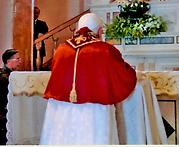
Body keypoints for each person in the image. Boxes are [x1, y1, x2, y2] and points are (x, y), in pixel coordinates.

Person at [40, 13, 137, 144]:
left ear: (78, 28)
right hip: (94, 110)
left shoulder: (61, 49)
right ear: (100, 31)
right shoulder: (105, 50)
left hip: (62, 108)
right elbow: (124, 74)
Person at [0, 49, 21, 145]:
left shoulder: (12, 75)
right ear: (8, 61)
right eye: (18, 59)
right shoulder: (4, 76)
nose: (20, 61)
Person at [33, 6, 49, 71]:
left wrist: (41, 35)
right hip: (29, 47)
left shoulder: (42, 23)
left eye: (37, 13)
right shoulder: (27, 23)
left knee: (39, 65)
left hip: (39, 46)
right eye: (34, 13)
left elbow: (47, 34)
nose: (35, 14)